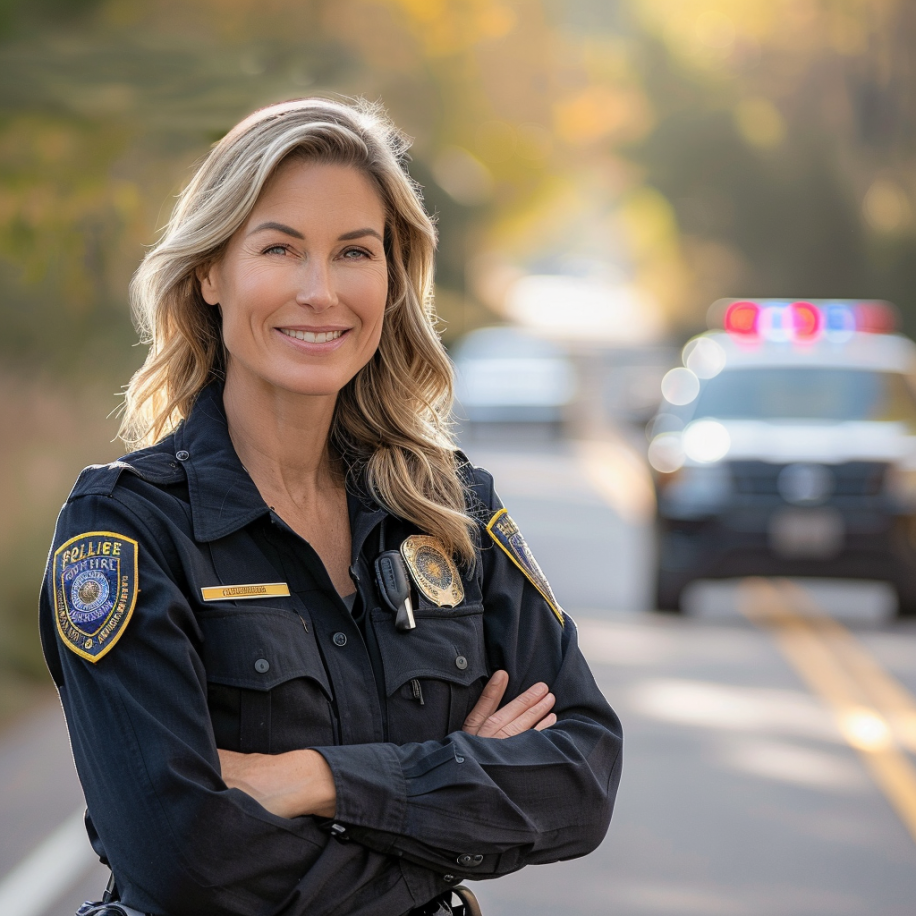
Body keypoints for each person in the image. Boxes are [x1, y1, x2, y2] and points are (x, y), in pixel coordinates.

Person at [39, 97, 622, 916]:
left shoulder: (449, 513)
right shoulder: (127, 530)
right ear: (210, 271)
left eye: (354, 252)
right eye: (280, 248)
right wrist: (448, 807)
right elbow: (179, 856)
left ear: (391, 279)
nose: (321, 292)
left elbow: (582, 776)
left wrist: (309, 781)